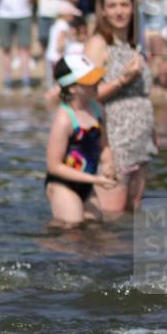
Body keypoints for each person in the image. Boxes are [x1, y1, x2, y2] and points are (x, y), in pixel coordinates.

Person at [84, 0, 156, 213]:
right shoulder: (98, 44)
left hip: (140, 142)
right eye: (113, 6)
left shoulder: (134, 44)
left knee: (132, 217)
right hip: (113, 142)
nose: (119, 11)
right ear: (103, 10)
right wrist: (122, 80)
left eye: (124, 5)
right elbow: (88, 97)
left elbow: (142, 95)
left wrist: (151, 132)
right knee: (111, 221)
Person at [45, 55, 117, 226]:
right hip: (63, 184)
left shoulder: (98, 109)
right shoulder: (64, 119)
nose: (97, 83)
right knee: (73, 226)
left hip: (87, 183)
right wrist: (95, 180)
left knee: (95, 225)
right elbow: (53, 166)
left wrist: (108, 163)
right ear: (71, 88)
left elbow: (104, 145)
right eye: (89, 80)